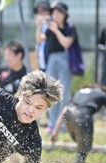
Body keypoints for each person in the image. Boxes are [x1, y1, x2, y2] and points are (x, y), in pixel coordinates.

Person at [37, 2, 75, 133]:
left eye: (58, 12)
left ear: (64, 14)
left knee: (65, 92)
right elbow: (40, 39)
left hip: (65, 59)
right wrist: (39, 25)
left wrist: (57, 30)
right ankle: (52, 123)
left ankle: (64, 125)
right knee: (51, 91)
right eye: (54, 12)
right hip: (52, 59)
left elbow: (66, 44)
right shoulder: (50, 27)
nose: (55, 15)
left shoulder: (70, 27)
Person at [51, 84, 106, 163]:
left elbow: (64, 110)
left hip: (69, 114)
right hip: (82, 115)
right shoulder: (102, 94)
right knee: (85, 146)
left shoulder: (80, 92)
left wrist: (55, 131)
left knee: (81, 143)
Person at [34, 1, 51, 72]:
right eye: (39, 12)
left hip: (50, 63)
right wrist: (39, 25)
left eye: (43, 11)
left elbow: (42, 38)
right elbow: (38, 40)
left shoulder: (52, 24)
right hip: (42, 64)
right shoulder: (42, 26)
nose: (40, 14)